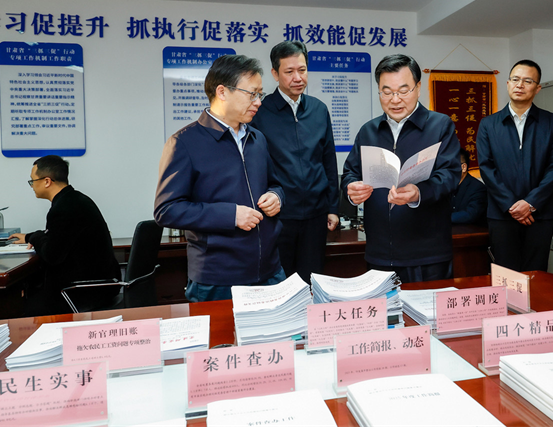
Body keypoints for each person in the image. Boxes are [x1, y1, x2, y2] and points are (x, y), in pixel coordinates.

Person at [154, 54, 285, 302]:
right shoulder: (184, 142)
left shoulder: (257, 138)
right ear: (222, 92)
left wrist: (276, 196)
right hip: (217, 278)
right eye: (252, 94)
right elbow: (167, 210)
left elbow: (275, 183)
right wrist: (231, 215)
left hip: (270, 271)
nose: (258, 102)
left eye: (260, 94)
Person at [341, 54, 461, 284]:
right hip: (379, 253)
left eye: (403, 91)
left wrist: (418, 192)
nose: (395, 100)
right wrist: (351, 189)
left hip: (427, 254)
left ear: (418, 88)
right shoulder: (368, 131)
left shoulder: (440, 125)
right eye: (386, 92)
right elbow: (350, 173)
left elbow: (449, 175)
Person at [250, 41, 339, 283]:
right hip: (278, 217)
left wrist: (333, 207)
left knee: (313, 282)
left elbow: (328, 161)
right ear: (275, 74)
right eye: (289, 72)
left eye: (302, 70)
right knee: (280, 284)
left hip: (316, 215)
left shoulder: (319, 110)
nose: (297, 78)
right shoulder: (260, 112)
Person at [476, 59, 553, 272]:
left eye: (527, 81)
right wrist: (511, 205)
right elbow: (486, 168)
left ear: (537, 88)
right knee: (505, 273)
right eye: (515, 79)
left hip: (540, 213)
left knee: (537, 272)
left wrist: (530, 203)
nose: (520, 85)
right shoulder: (489, 124)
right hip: (501, 213)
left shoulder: (551, 122)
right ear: (508, 83)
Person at [9, 155, 121, 315]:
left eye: (32, 181)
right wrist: (29, 237)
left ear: (47, 181)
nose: (32, 186)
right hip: (100, 285)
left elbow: (52, 255)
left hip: (80, 292)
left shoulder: (63, 208)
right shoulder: (76, 199)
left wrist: (35, 237)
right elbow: (60, 236)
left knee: (18, 307)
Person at [451, 147, 487, 225]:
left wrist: (443, 219)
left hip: (471, 230)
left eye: (451, 166)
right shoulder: (446, 186)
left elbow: (471, 214)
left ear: (463, 167)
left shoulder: (478, 187)